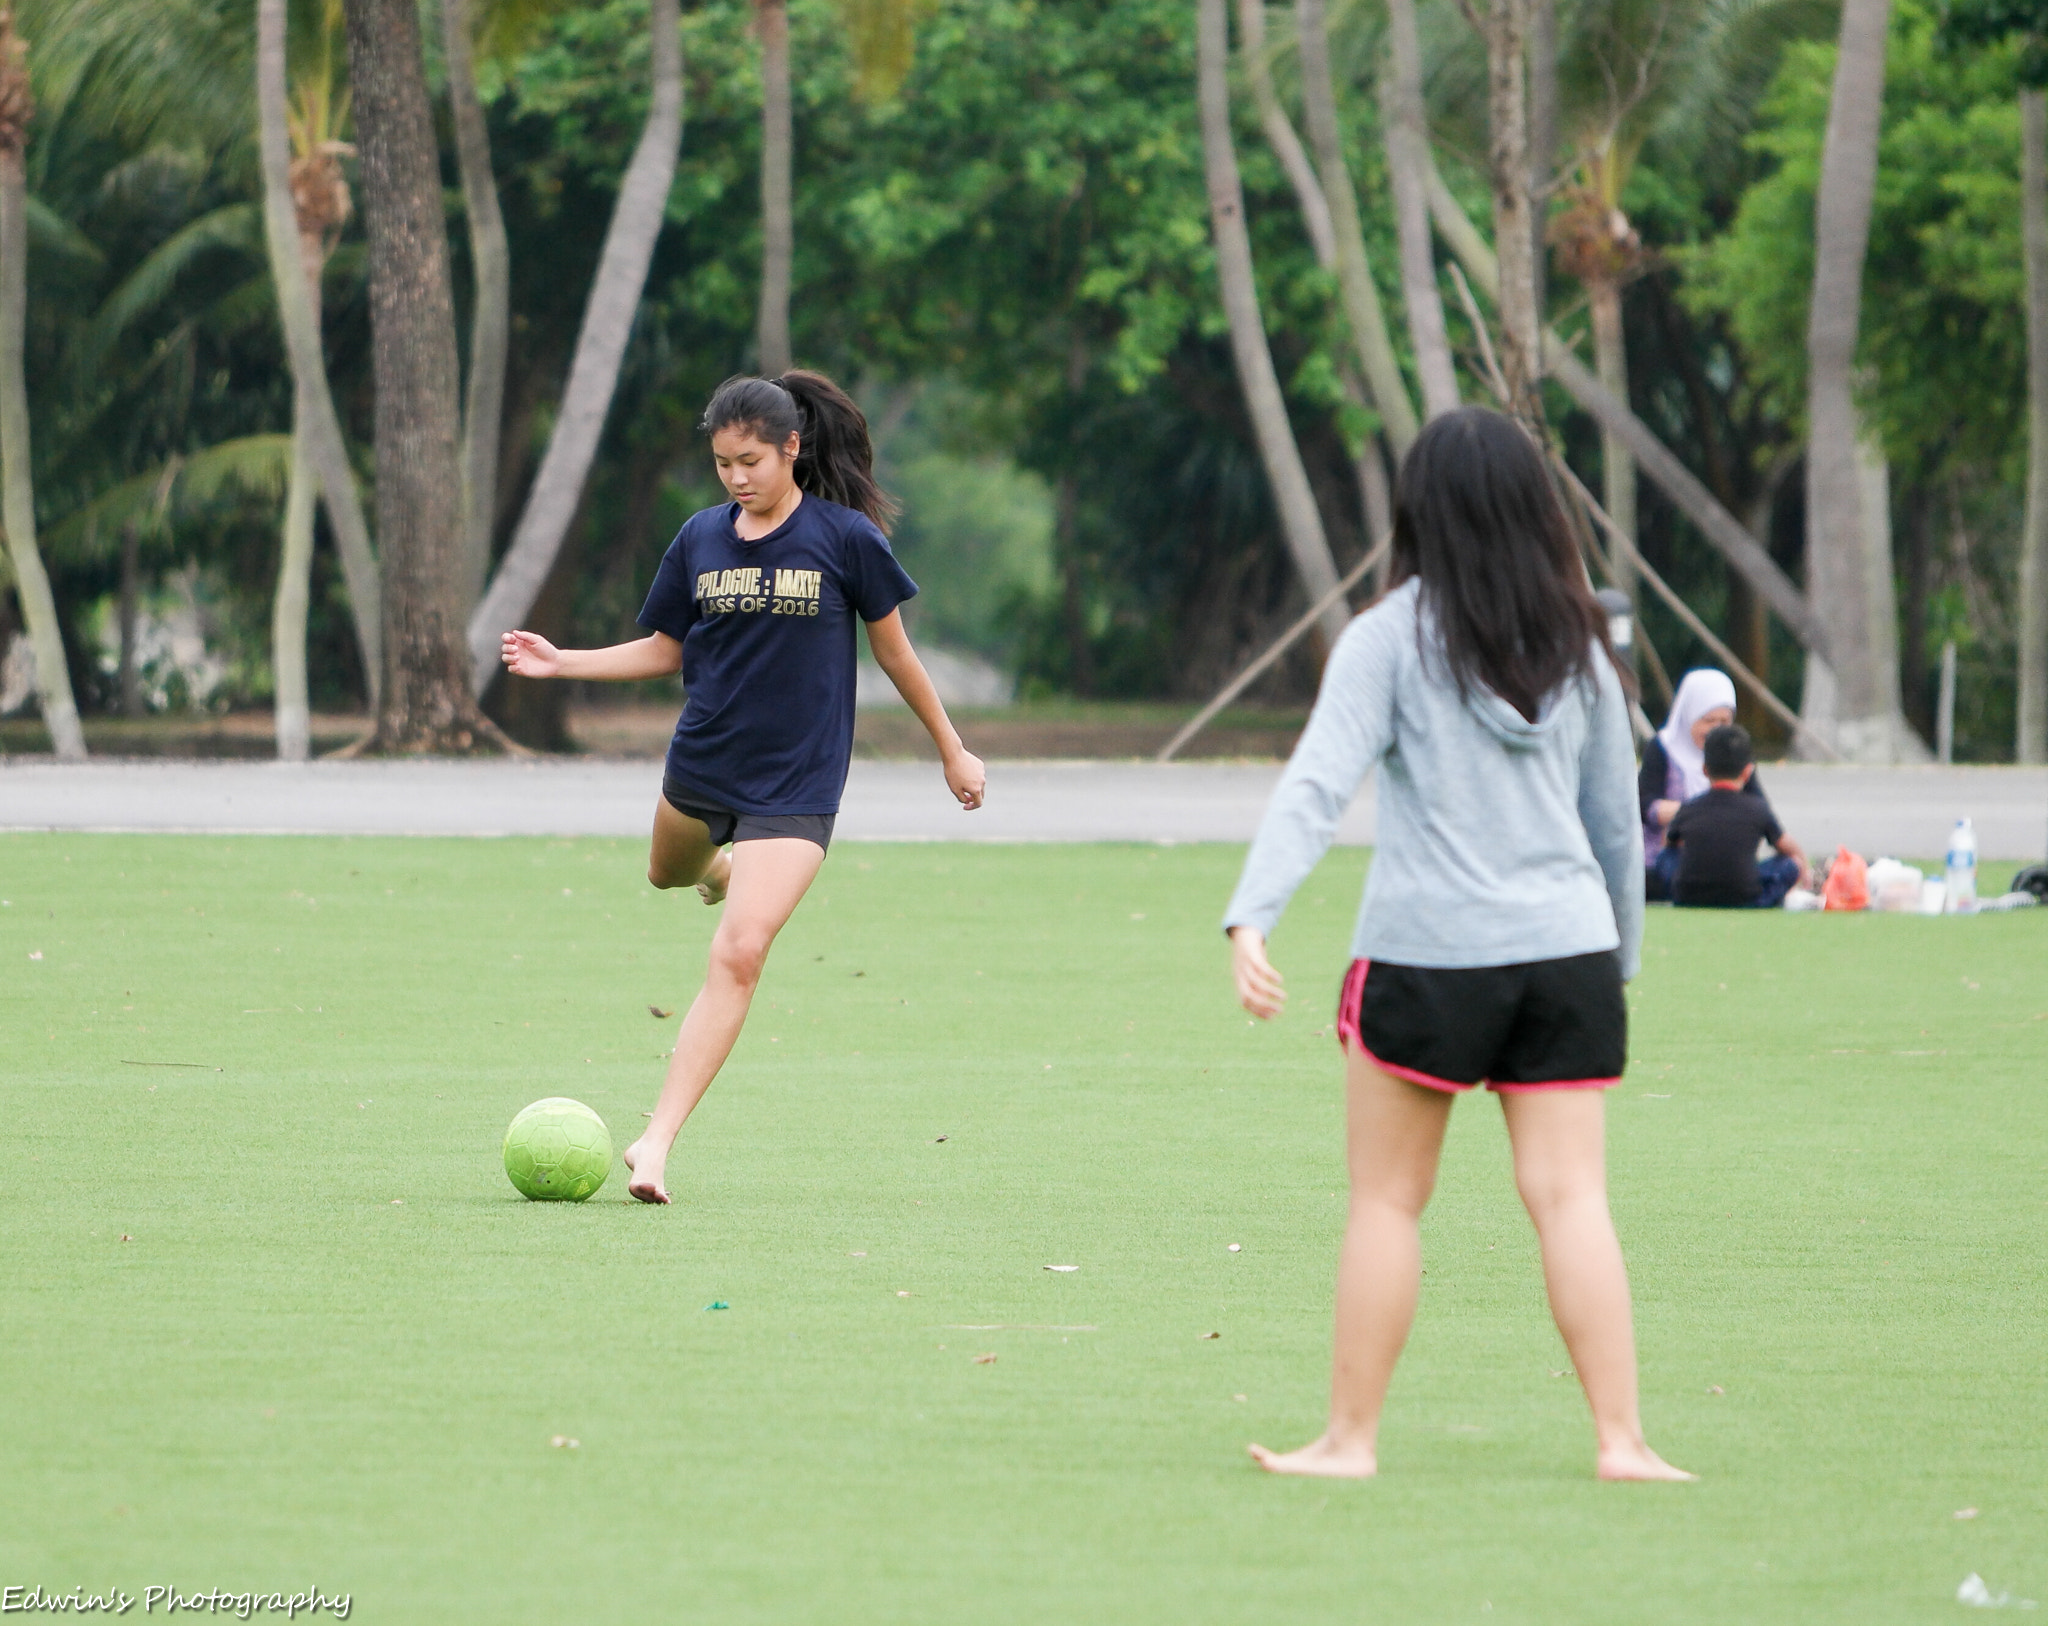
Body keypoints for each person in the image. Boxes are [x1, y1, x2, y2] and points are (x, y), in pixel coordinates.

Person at [1222, 406, 1690, 1483]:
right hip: (1565, 955)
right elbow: (1614, 822)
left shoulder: (1387, 637)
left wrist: (1255, 912)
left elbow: (1315, 784)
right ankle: (1621, 1443)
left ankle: (1349, 1442)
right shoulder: (1581, 643)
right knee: (1572, 1200)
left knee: (1387, 1200)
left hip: (1429, 951)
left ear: (1414, 512)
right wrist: (1612, 962)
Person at [501, 370, 987, 1204]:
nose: (736, 477)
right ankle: (718, 872)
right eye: (724, 463)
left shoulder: (845, 540)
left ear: (791, 448)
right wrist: (562, 660)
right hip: (704, 763)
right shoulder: (699, 538)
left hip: (794, 785)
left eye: (751, 460)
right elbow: (663, 648)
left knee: (739, 951)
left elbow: (896, 654)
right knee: (667, 873)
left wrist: (953, 749)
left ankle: (653, 1143)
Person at [1640, 669, 1767, 901]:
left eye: (1724, 721)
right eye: (1709, 721)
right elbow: (1645, 806)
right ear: (1689, 715)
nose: (1717, 730)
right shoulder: (1662, 748)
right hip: (1670, 858)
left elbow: (1759, 807)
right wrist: (1698, 814)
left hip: (1726, 859)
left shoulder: (1735, 751)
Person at [1665, 724, 1808, 908]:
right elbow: (1785, 845)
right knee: (1789, 864)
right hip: (1745, 896)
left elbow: (1670, 847)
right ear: (1748, 772)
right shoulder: (1757, 808)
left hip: (1688, 895)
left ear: (1705, 770)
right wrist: (1802, 863)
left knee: (1666, 858)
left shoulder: (1688, 808)